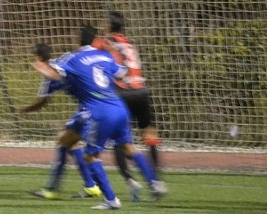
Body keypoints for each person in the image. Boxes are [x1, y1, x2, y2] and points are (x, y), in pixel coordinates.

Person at [31, 25, 166, 210]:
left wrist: (41, 67)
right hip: (119, 107)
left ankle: (109, 198)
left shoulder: (72, 58)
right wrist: (110, 52)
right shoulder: (105, 55)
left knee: (90, 155)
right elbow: (122, 73)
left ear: (78, 39)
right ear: (95, 40)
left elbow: (54, 74)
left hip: (97, 110)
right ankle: (154, 182)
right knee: (125, 147)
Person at [93, 11, 162, 201]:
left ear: (108, 26)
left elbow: (92, 58)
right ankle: (156, 180)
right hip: (141, 91)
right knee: (150, 135)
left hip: (123, 93)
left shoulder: (103, 42)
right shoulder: (130, 43)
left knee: (120, 140)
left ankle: (131, 182)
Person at [23, 43, 102, 200]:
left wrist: (26, 110)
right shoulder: (62, 61)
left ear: (38, 58)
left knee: (71, 145)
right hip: (91, 105)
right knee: (68, 143)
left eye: (33, 57)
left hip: (91, 107)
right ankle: (90, 186)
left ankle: (58, 189)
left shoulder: (51, 74)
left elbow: (42, 102)